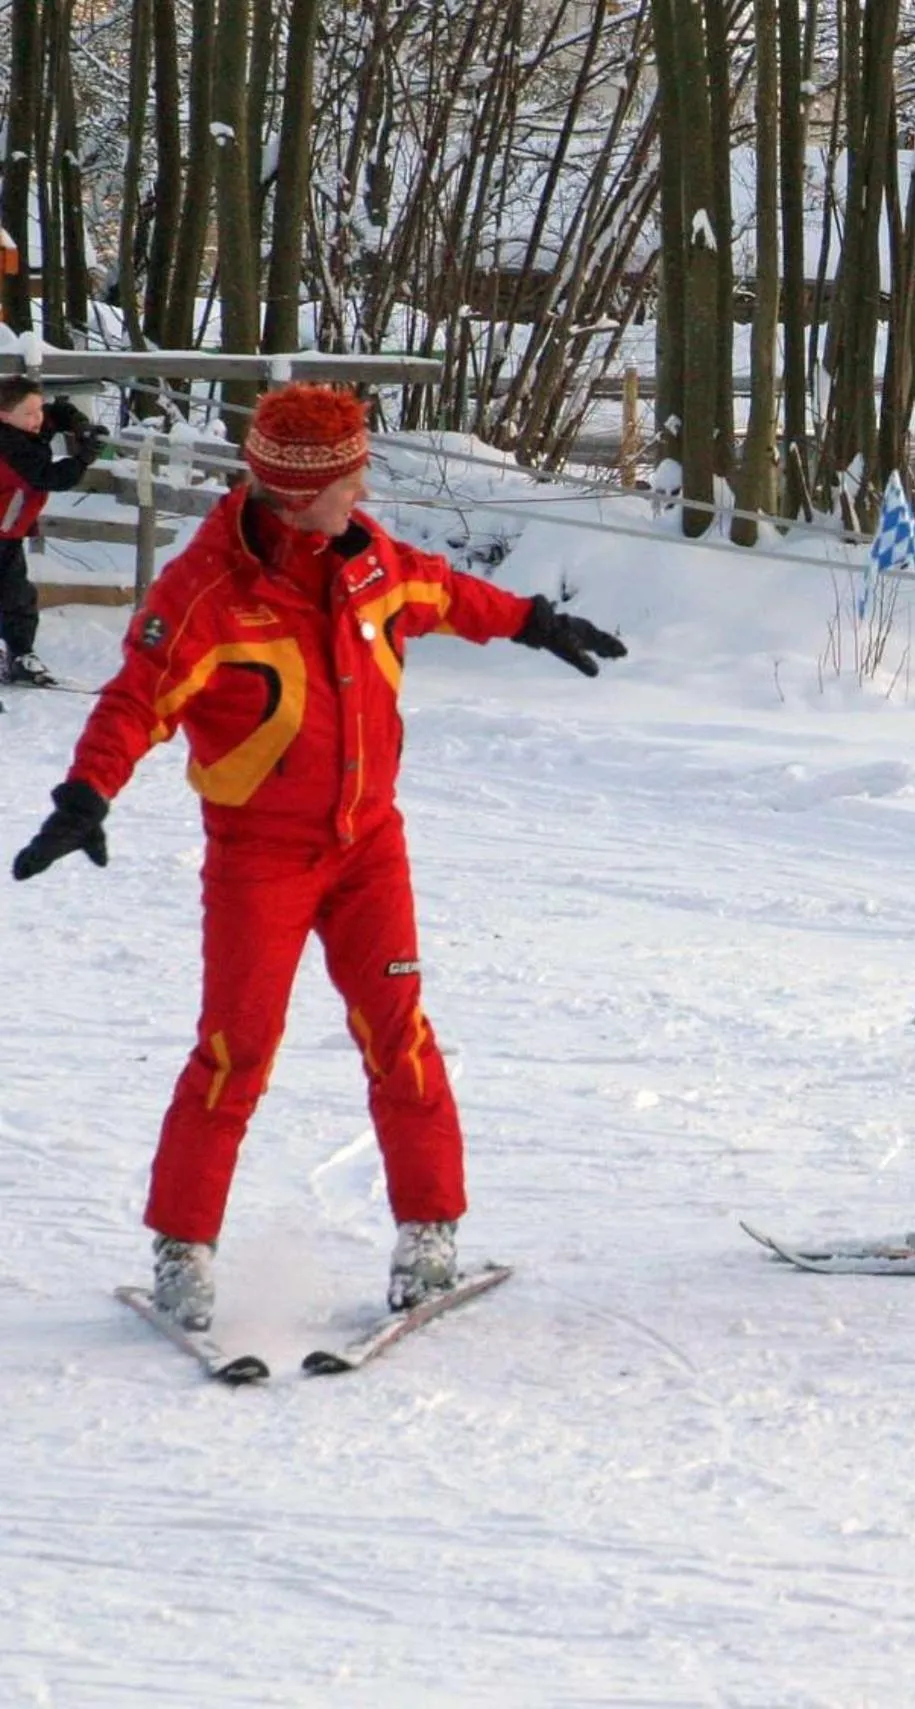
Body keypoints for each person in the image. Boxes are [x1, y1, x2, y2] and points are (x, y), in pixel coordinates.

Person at [11, 383, 627, 1329]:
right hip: (261, 855)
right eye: (351, 475)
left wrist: (535, 621)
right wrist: (87, 793)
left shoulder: (367, 558)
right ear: (298, 492)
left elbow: (446, 590)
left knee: (399, 1032)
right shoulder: (210, 589)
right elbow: (138, 698)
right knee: (236, 1050)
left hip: (368, 844)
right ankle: (184, 1249)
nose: (364, 486)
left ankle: (430, 1232)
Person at [0, 376, 107, 686]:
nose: (38, 419)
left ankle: (21, 655)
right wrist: (84, 457)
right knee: (12, 593)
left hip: (8, 532)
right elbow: (51, 476)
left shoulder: (25, 427)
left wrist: (79, 425)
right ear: (5, 416)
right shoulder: (10, 444)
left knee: (17, 595)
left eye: (38, 411)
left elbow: (57, 413)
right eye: (29, 413)